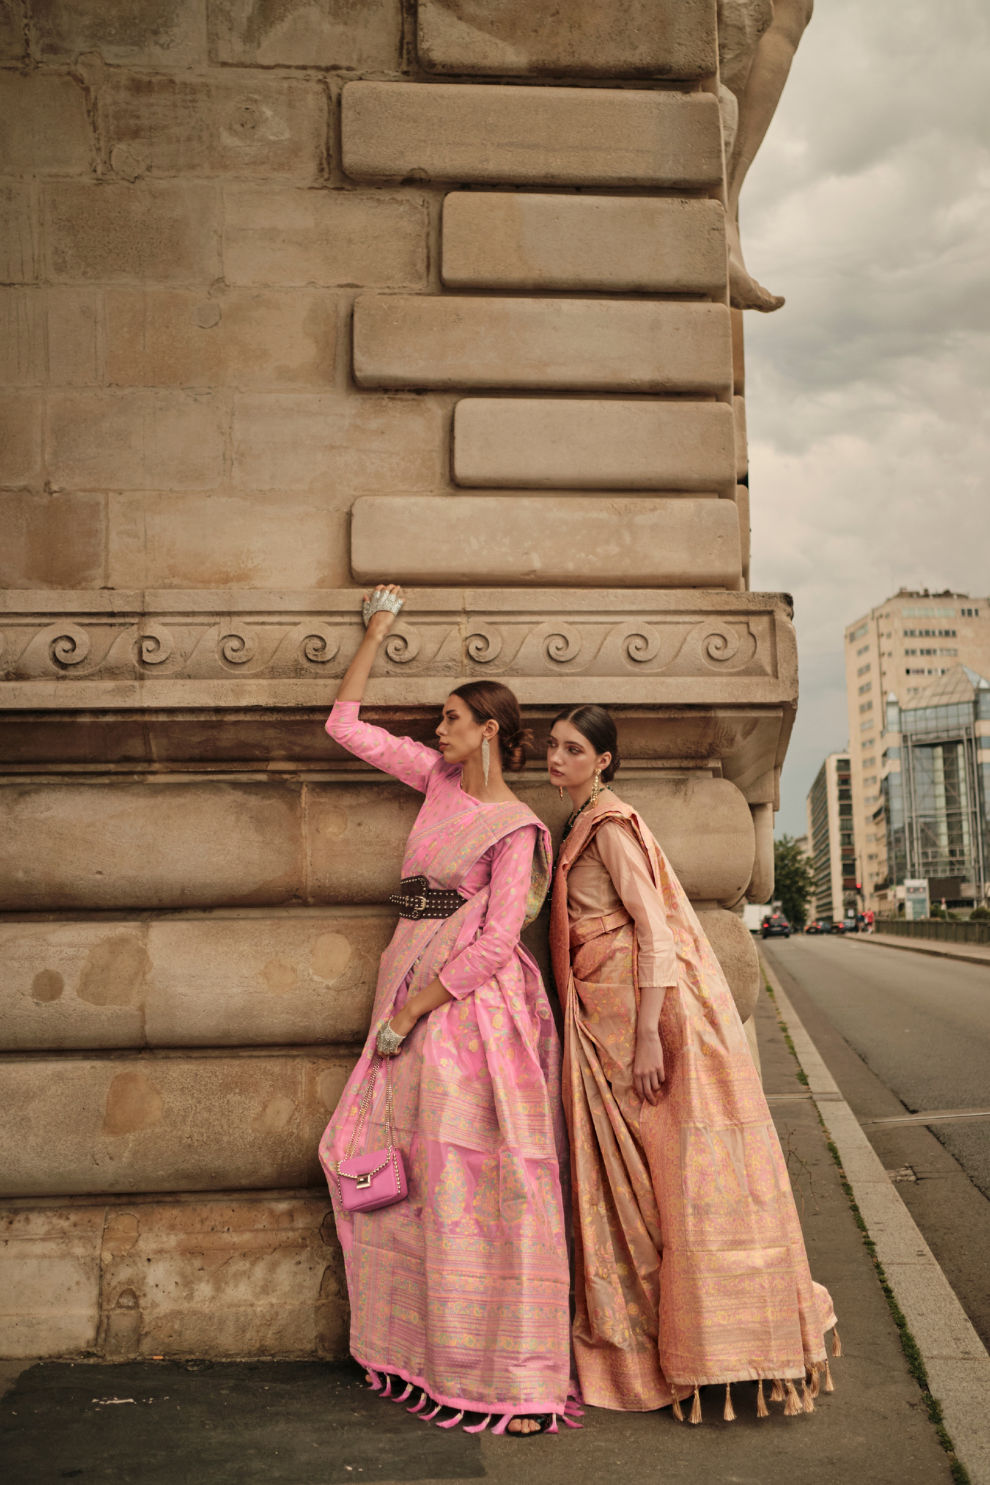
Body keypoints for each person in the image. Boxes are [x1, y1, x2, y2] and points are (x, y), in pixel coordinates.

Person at [318, 585, 574, 1438]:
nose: (439, 731)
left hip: (469, 1017)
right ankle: (416, 1350)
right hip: (406, 991)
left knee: (482, 1180)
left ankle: (510, 1375)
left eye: (453, 719)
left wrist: (416, 1010)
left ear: (490, 730)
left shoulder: (516, 826)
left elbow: (499, 942)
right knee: (407, 1175)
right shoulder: (433, 779)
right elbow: (344, 726)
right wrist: (379, 629)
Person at [547, 704, 838, 1422]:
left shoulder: (610, 826)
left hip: (639, 1023)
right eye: (552, 745)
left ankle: (708, 1345)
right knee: (643, 1185)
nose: (556, 757)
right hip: (606, 1018)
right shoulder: (580, 823)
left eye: (573, 748)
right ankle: (666, 1336)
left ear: (604, 760)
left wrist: (648, 1034)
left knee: (677, 1183)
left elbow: (653, 928)